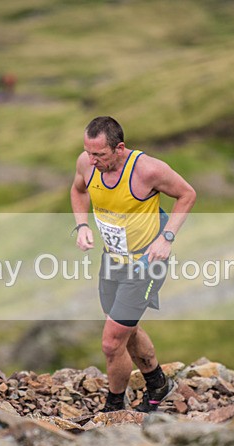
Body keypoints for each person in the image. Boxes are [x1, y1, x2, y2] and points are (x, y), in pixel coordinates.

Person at [70, 116, 196, 413]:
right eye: (89, 152)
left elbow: (187, 194)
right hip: (112, 259)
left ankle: (114, 407)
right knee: (125, 330)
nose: (92, 159)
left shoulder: (148, 170)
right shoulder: (86, 164)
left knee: (112, 343)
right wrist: (82, 225)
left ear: (119, 148)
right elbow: (78, 190)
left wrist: (166, 238)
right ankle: (157, 383)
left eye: (99, 154)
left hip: (145, 264)